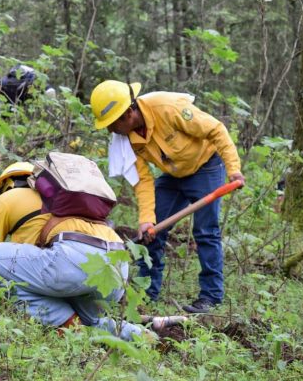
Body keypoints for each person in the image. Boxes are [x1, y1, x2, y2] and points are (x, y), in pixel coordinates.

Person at [89, 80, 245, 313]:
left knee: (205, 231)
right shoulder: (127, 138)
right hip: (173, 174)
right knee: (152, 232)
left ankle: (211, 297)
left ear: (128, 113)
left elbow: (216, 129)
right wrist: (146, 219)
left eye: (112, 124)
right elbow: (143, 180)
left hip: (206, 166)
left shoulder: (168, 108)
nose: (110, 131)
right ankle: (145, 294)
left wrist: (233, 170)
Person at [0, 159, 149, 341]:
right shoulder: (63, 202)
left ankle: (64, 322)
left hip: (74, 261)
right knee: (91, 322)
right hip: (117, 266)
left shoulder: (6, 199)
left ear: (6, 184)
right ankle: (144, 337)